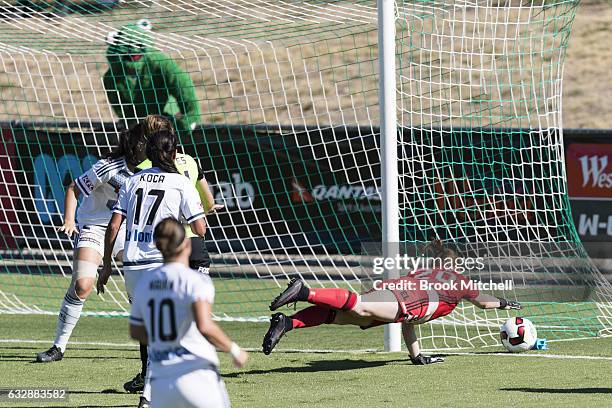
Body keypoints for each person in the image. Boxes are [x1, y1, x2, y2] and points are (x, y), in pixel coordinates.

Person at [262, 240, 522, 363]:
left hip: (404, 298)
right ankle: (304, 292)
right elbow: (485, 303)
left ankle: (287, 323)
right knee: (359, 305)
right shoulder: (460, 280)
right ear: (455, 263)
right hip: (409, 299)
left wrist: (416, 356)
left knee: (339, 316)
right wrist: (504, 302)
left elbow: (409, 321)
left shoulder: (424, 271)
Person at [98, 130, 206, 408]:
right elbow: (199, 228)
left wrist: (107, 264)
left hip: (132, 267)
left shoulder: (132, 181)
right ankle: (150, 394)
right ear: (173, 153)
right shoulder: (181, 184)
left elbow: (113, 227)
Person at [122, 114, 223, 395]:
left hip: (164, 252)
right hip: (195, 247)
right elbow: (209, 201)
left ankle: (151, 378)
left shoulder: (143, 168)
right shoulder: (189, 161)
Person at [35, 124, 147, 363]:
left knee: (141, 286)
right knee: (83, 284)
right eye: (146, 143)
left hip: (126, 231)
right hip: (94, 227)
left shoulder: (149, 170)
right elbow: (73, 188)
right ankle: (58, 346)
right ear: (137, 146)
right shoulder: (108, 167)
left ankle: (153, 350)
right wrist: (68, 220)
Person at [129, 218, 248, 408]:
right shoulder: (196, 281)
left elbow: (136, 331)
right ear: (186, 244)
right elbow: (205, 325)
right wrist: (234, 350)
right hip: (196, 375)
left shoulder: (144, 283)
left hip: (162, 384)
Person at [103, 20, 201, 136]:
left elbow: (184, 88)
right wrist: (135, 127)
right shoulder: (111, 76)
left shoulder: (160, 62)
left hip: (169, 117)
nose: (133, 52)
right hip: (141, 124)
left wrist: (187, 121)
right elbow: (123, 110)